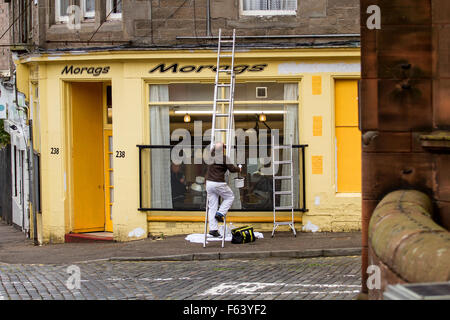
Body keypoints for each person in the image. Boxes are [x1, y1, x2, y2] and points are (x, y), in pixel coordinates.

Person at [205, 142, 241, 237]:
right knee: (230, 197)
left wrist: (218, 146)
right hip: (218, 183)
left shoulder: (210, 157)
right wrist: (239, 169)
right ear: (223, 150)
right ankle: (220, 213)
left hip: (209, 183)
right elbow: (232, 169)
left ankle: (213, 230)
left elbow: (213, 150)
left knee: (212, 206)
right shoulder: (224, 158)